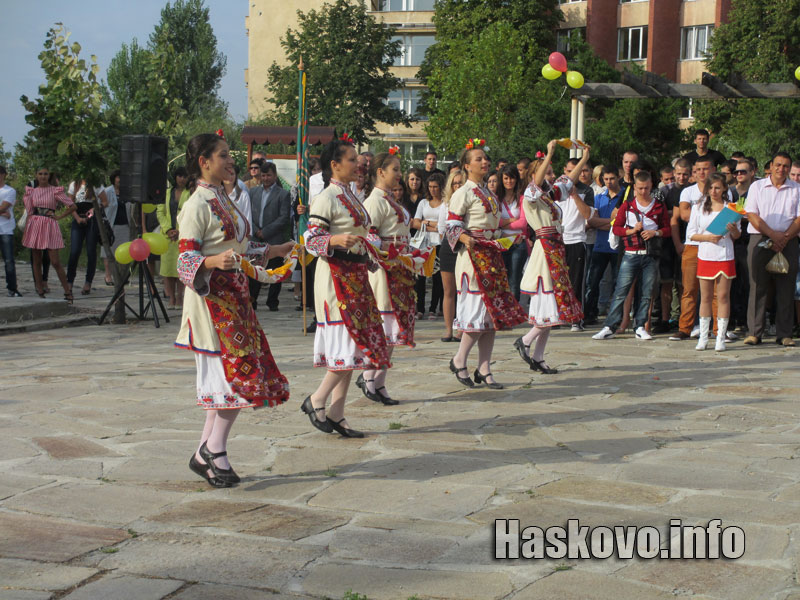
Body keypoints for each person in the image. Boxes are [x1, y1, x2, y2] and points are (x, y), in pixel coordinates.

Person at [176, 133, 293, 488]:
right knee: (233, 378)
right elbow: (184, 261)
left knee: (227, 379)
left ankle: (206, 451)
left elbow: (239, 250)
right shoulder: (196, 204)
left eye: (230, 156)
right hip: (212, 304)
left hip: (236, 301)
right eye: (224, 156)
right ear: (204, 162)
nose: (232, 161)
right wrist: (211, 260)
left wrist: (276, 250)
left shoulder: (225, 199)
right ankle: (215, 450)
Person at [302, 139, 390, 438]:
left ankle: (337, 413)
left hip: (356, 275)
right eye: (352, 160)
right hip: (335, 279)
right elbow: (311, 240)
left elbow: (363, 234)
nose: (358, 165)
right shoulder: (326, 198)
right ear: (335, 165)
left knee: (354, 348)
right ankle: (316, 399)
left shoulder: (351, 196)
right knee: (347, 345)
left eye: (358, 160)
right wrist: (334, 241)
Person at [446, 143, 527, 389]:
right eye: (479, 159)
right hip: (473, 258)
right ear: (467, 166)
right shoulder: (463, 192)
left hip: (491, 256)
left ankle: (484, 368)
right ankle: (459, 359)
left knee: (491, 317)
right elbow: (451, 225)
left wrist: (510, 231)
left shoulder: (489, 193)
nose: (485, 162)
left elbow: (493, 222)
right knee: (476, 315)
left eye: (486, 159)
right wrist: (464, 238)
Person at [514, 141, 590, 372]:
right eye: (548, 171)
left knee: (550, 309)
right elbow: (537, 183)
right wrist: (548, 154)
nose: (553, 174)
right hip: (545, 251)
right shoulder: (531, 194)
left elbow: (568, 181)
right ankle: (526, 341)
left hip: (555, 249)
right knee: (550, 305)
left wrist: (584, 158)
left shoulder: (548, 194)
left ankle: (538, 356)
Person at [359, 152, 417, 406]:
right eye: (395, 169)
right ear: (380, 172)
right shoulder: (375, 202)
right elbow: (368, 238)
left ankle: (379, 380)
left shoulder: (390, 200)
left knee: (393, 330)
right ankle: (369, 376)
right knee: (384, 328)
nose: (399, 174)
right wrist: (388, 251)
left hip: (398, 268)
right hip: (384, 271)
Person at [593, 171, 671, 341]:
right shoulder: (627, 206)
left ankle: (640, 326)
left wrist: (655, 232)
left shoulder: (658, 206)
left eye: (647, 188)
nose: (644, 191)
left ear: (651, 187)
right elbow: (617, 228)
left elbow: (667, 229)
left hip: (650, 254)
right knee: (621, 291)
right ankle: (609, 326)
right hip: (630, 253)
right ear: (634, 187)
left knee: (646, 293)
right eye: (641, 188)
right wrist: (632, 230)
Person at [669, 155, 729, 341]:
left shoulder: (726, 195)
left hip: (718, 248)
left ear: (713, 169)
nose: (702, 173)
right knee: (689, 289)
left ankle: (719, 331)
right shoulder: (688, 192)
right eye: (698, 170)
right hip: (694, 246)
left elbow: (729, 219)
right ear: (694, 172)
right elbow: (685, 215)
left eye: (706, 169)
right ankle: (685, 328)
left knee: (717, 293)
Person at [744, 151, 800, 346]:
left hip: (789, 239)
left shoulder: (797, 188)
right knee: (758, 285)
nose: (781, 169)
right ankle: (754, 332)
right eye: (778, 165)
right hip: (760, 238)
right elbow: (752, 214)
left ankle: (784, 334)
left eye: (785, 166)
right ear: (771, 166)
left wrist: (784, 237)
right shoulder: (757, 187)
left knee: (786, 288)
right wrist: (772, 234)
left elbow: (799, 218)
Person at [686, 173, 740, 351]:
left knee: (723, 297)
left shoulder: (730, 208)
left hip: (725, 256)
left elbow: (737, 235)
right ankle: (703, 336)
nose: (714, 191)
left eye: (717, 187)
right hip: (706, 254)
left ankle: (720, 337)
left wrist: (732, 230)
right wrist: (708, 238)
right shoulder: (699, 207)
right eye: (711, 188)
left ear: (724, 188)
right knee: (706, 297)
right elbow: (691, 234)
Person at [22, 167, 75, 301]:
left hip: (50, 225)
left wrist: (59, 216)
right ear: (36, 176)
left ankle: (67, 291)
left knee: (55, 261)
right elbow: (29, 213)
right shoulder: (31, 192)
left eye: (45, 174)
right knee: (36, 260)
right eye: (40, 174)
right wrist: (26, 232)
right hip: (34, 224)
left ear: (48, 176)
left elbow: (73, 206)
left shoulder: (54, 190)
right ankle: (40, 289)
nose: (43, 176)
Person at [249, 162, 291, 311]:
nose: (266, 178)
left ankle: (272, 302)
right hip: (255, 240)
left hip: (274, 239)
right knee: (254, 272)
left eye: (269, 175)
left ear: (274, 175)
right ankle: (252, 301)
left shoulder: (283, 194)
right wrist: (256, 230)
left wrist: (266, 231)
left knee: (275, 272)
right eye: (263, 175)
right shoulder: (252, 192)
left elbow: (284, 217)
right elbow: (247, 214)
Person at [584, 165, 623, 324]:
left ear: (618, 177)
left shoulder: (624, 197)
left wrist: (605, 223)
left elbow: (623, 223)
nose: (609, 182)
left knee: (617, 283)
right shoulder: (599, 197)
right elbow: (592, 221)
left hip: (617, 247)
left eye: (612, 178)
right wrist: (613, 223)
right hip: (600, 245)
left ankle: (616, 316)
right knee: (592, 282)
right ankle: (589, 314)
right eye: (606, 179)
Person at [559, 158, 595, 331]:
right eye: (569, 171)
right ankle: (558, 316)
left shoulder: (585, 190)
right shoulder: (556, 189)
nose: (572, 175)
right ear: (564, 170)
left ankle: (576, 318)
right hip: (557, 240)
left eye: (577, 171)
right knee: (557, 281)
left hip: (576, 240)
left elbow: (588, 214)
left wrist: (573, 194)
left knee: (576, 281)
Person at [157, 167, 191, 309]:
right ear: (175, 177)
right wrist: (169, 229)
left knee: (180, 269)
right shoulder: (166, 193)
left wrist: (178, 230)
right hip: (166, 237)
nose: (182, 179)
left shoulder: (190, 194)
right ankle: (171, 298)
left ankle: (180, 297)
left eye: (184, 176)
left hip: (183, 235)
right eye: (179, 176)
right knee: (167, 269)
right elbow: (160, 212)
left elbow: (190, 214)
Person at [66, 179, 108, 296]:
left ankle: (88, 282)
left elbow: (105, 202)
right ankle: (69, 281)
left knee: (91, 251)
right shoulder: (74, 184)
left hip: (92, 220)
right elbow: (69, 204)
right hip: (78, 218)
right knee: (74, 251)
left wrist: (94, 209)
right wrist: (78, 218)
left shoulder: (96, 184)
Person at [412, 172, 445, 319]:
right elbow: (416, 222)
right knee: (421, 278)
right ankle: (420, 309)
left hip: (439, 243)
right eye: (430, 187)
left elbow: (443, 226)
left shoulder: (445, 203)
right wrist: (433, 226)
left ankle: (433, 308)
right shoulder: (423, 202)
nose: (433, 190)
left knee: (437, 277)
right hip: (423, 243)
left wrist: (428, 224)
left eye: (436, 187)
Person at [437, 169, 464, 342]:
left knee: (463, 289)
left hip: (464, 245)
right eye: (455, 183)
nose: (458, 186)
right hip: (448, 245)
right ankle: (448, 330)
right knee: (449, 290)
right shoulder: (445, 204)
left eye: (461, 183)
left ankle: (461, 328)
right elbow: (441, 228)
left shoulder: (469, 201)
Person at [497, 165, 526, 300]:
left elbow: (523, 223)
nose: (509, 181)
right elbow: (495, 223)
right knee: (502, 278)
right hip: (501, 242)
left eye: (512, 178)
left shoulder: (521, 199)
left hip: (518, 243)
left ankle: (515, 312)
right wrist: (511, 219)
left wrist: (504, 223)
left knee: (515, 278)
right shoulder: (496, 199)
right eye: (506, 178)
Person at [101, 170, 129, 286]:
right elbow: (100, 206)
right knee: (108, 252)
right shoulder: (107, 191)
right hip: (111, 225)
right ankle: (108, 275)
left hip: (125, 226)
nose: (120, 180)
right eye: (118, 177)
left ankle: (122, 275)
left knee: (124, 251)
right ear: (114, 179)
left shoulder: (128, 192)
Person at [0, 166, 20, 297]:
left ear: (4, 175)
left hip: (5, 229)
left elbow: (4, 206)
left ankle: (12, 289)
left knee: (8, 260)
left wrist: (3, 210)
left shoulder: (10, 191)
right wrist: (2, 212)